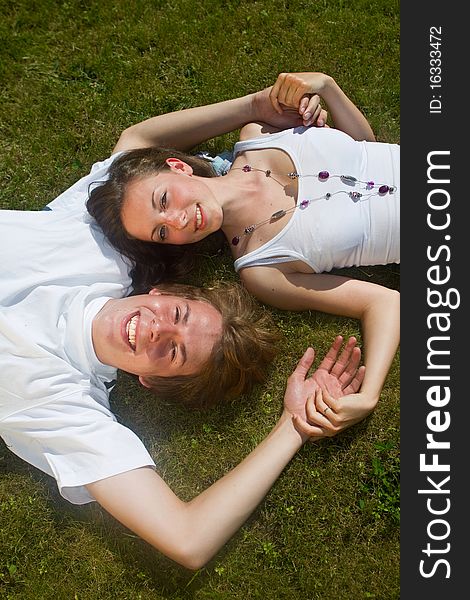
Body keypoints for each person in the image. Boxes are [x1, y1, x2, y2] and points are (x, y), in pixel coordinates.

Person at [1, 85, 370, 568]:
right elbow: (135, 147)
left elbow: (188, 539)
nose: (158, 331)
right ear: (160, 294)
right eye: (177, 316)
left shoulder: (63, 406)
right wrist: (255, 107)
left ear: (151, 381)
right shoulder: (101, 247)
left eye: (173, 353)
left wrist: (293, 428)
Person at [86, 70, 400, 424]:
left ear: (178, 167)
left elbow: (364, 145)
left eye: (164, 200)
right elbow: (383, 301)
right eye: (161, 233)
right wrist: (369, 394)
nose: (177, 221)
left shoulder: (258, 133)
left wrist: (327, 85)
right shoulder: (263, 268)